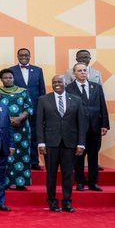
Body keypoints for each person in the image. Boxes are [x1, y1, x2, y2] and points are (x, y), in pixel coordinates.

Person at [35, 75, 86, 212]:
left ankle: (67, 202)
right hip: (50, 143)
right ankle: (52, 201)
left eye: (59, 82)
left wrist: (81, 144)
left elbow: (81, 123)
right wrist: (41, 143)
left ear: (66, 83)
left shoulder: (76, 100)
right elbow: (39, 123)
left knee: (68, 174)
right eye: (54, 82)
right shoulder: (43, 99)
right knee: (51, 174)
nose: (56, 84)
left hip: (70, 143)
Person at [67, 62, 107, 192]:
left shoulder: (96, 87)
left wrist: (104, 124)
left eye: (85, 70)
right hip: (77, 128)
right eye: (79, 70)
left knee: (93, 156)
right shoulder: (69, 88)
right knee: (78, 157)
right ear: (74, 73)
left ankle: (93, 182)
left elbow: (102, 105)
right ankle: (80, 182)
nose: (83, 72)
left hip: (95, 127)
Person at [0, 69, 33, 191]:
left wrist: (19, 119)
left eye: (10, 77)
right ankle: (5, 183)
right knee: (5, 154)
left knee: (22, 154)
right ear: (1, 79)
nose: (8, 80)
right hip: (3, 127)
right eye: (5, 78)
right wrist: (8, 120)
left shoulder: (23, 91)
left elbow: (29, 108)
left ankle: (20, 183)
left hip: (22, 128)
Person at [11, 48, 46, 169]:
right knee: (18, 136)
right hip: (18, 109)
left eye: (26, 55)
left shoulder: (38, 70)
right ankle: (19, 161)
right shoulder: (11, 70)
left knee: (34, 135)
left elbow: (42, 90)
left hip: (35, 108)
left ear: (30, 56)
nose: (24, 57)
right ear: (17, 56)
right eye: (21, 55)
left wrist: (42, 108)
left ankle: (34, 162)